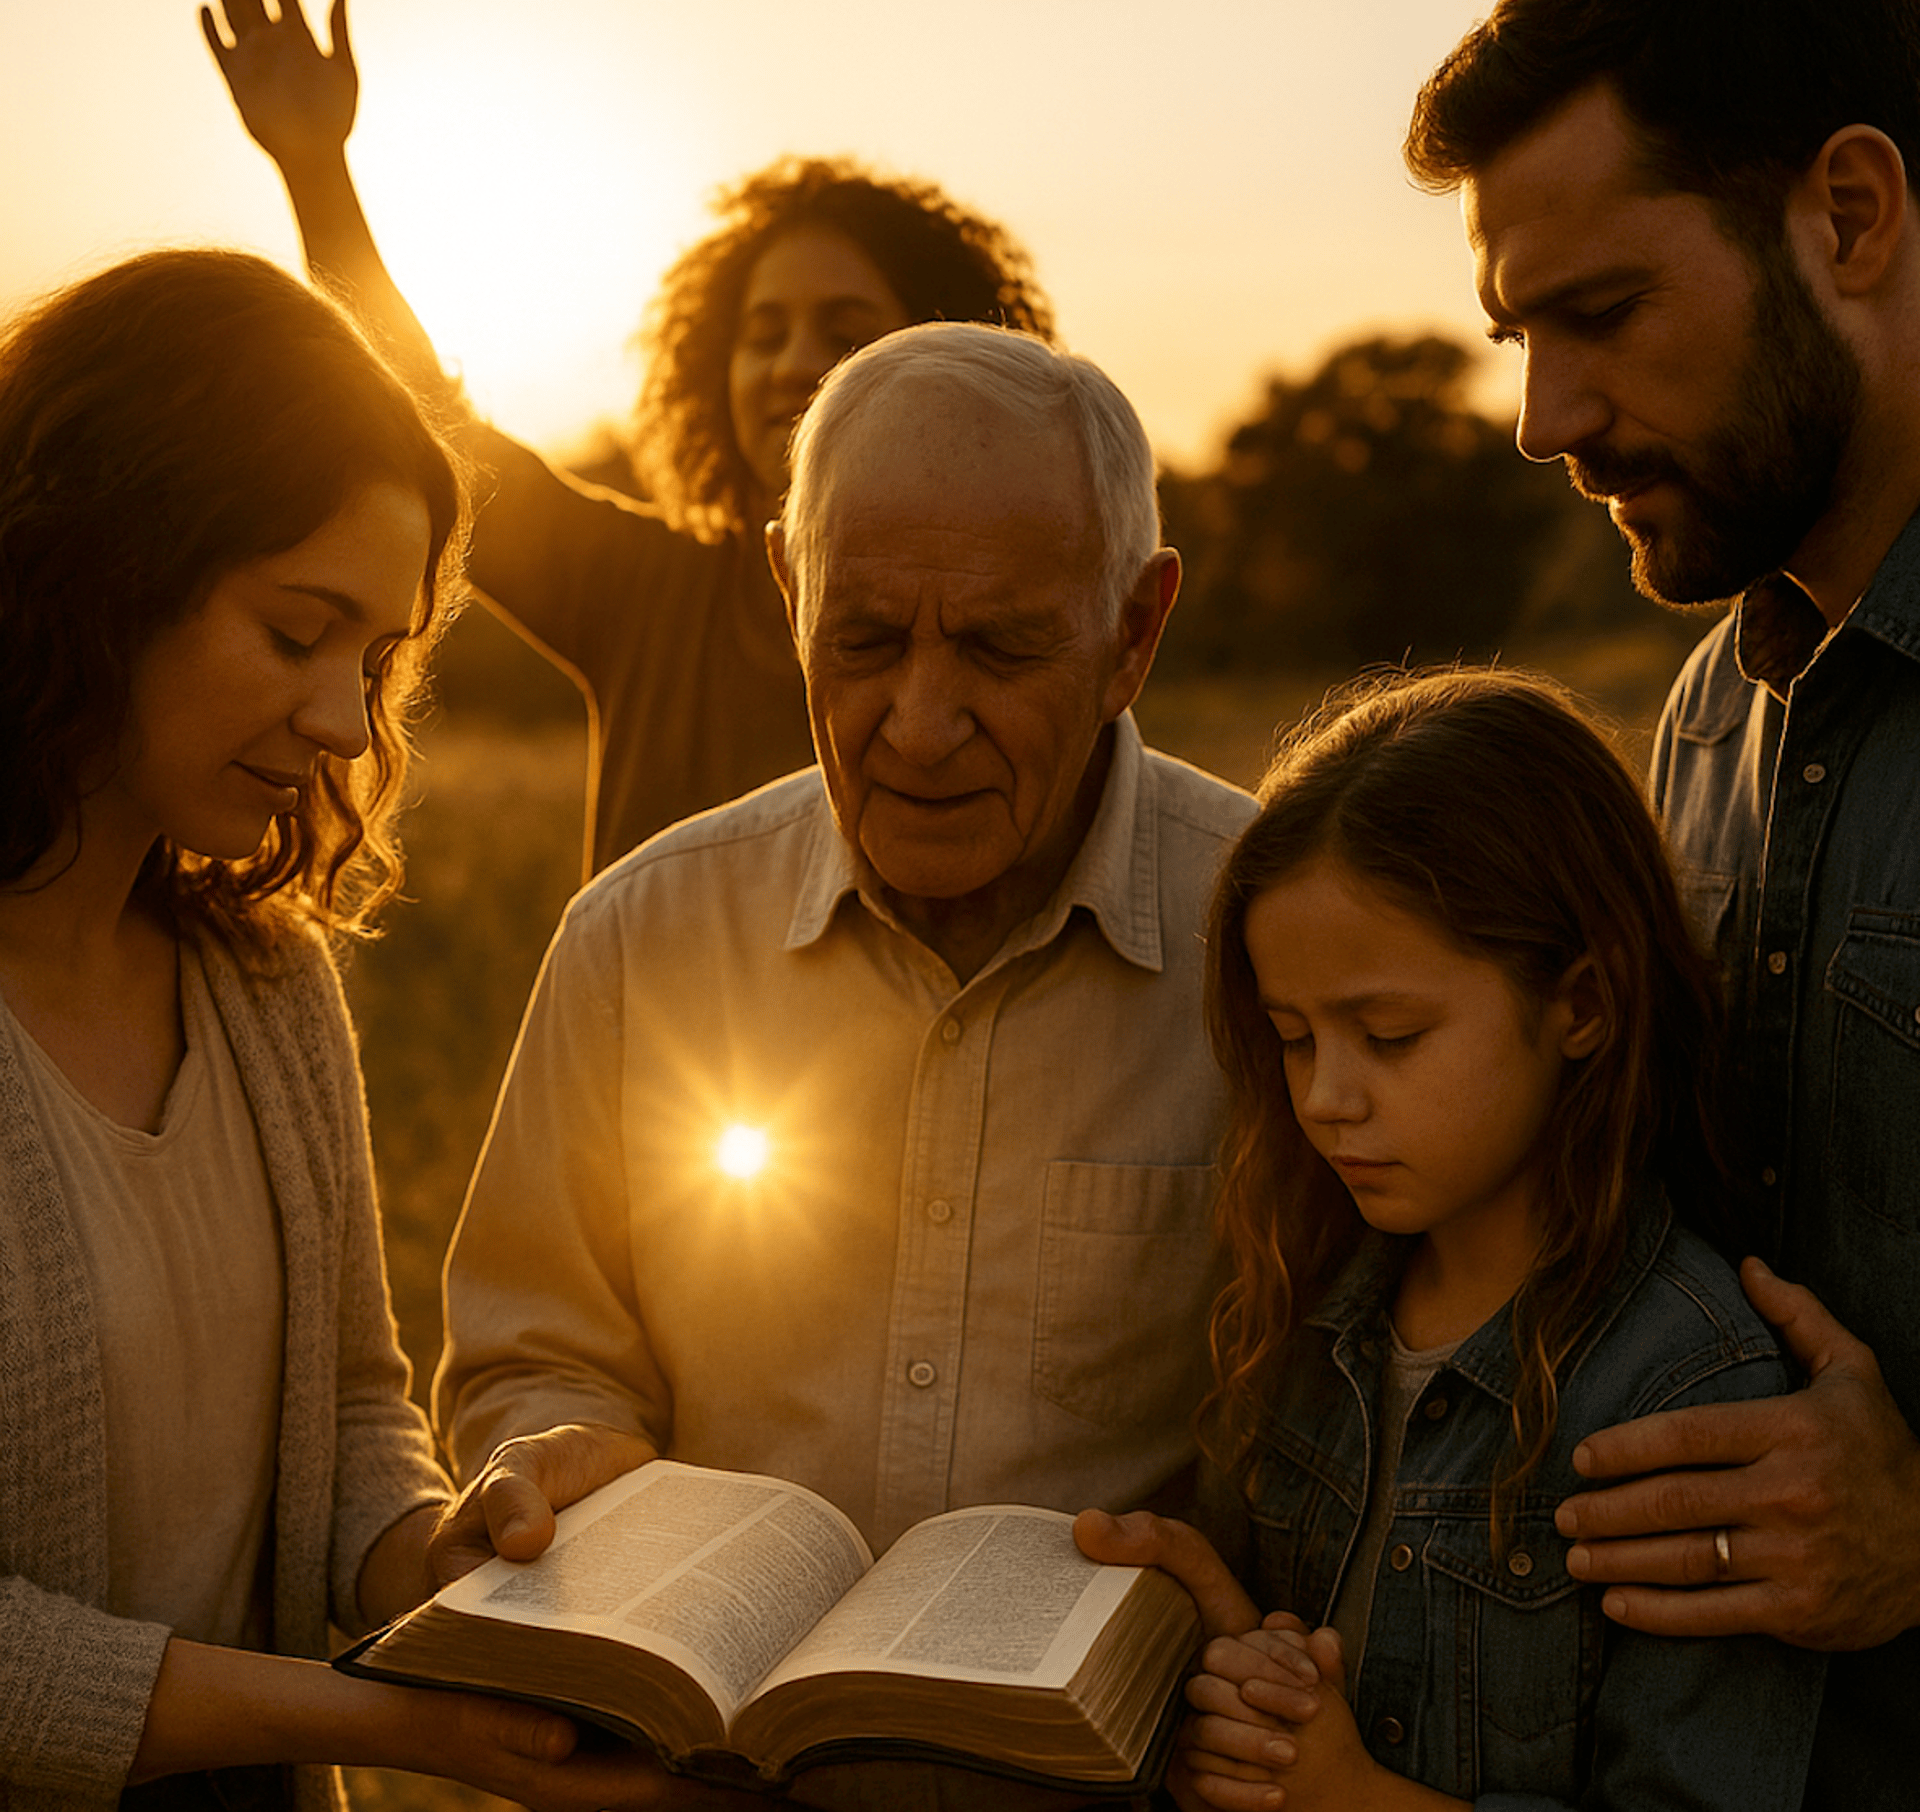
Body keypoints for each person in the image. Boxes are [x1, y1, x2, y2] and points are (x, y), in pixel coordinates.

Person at [430, 320, 1256, 1808]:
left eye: (1003, 647)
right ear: (784, 591)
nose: (920, 724)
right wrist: (552, 1460)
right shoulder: (640, 938)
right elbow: (530, 1348)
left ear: (1136, 631)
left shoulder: (1275, 946)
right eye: (861, 639)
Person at [0, 247, 710, 1810]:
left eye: (377, 658)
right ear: (104, 567)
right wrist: (385, 1720)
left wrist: (454, 1554)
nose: (344, 721)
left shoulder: (267, 985)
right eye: (297, 630)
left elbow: (346, 1421)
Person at [1400, 2, 1920, 1804]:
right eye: (1517, 334)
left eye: (1600, 315)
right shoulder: (1703, 724)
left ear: (1849, 217)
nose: (1545, 417)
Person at [1084, 669, 1825, 1811]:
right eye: (1293, 1038)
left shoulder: (1689, 1384)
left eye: (1390, 1035)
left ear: (1583, 1004)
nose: (1326, 1096)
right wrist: (1218, 1692)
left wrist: (1349, 1796)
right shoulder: (1301, 1300)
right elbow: (1256, 1699)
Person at [203, 0, 1056, 874]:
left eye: (842, 333)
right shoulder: (643, 588)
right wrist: (315, 168)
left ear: (944, 360)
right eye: (761, 334)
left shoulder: (1013, 631)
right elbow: (424, 418)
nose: (792, 367)